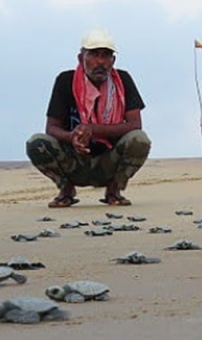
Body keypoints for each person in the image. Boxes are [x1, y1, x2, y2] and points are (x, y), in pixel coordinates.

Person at [26, 27, 152, 207]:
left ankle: (114, 189)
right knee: (36, 143)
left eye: (106, 55)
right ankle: (66, 188)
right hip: (74, 160)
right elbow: (51, 127)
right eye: (93, 55)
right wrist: (72, 137)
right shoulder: (65, 80)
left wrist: (93, 130)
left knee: (139, 140)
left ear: (113, 60)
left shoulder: (123, 80)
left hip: (108, 160)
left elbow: (135, 125)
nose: (100, 62)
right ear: (81, 58)